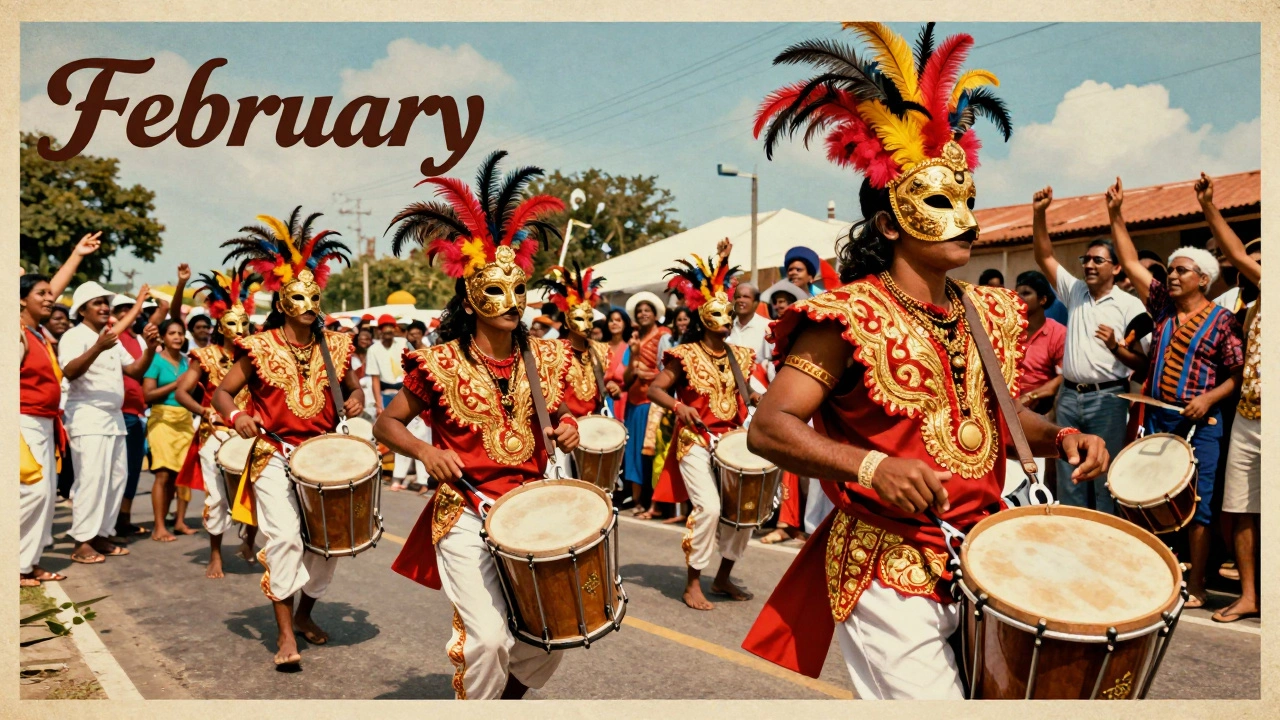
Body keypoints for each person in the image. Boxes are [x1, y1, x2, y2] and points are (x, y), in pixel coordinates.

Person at [740, 22, 1109, 698]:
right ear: (889, 223)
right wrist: (872, 466)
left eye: (967, 200)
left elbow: (995, 419)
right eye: (940, 202)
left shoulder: (987, 311)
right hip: (886, 566)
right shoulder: (845, 318)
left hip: (983, 558)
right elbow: (769, 428)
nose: (964, 217)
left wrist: (1059, 436)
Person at [377, 151, 580, 700]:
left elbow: (559, 413)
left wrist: (567, 427)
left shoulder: (546, 358)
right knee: (488, 640)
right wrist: (424, 452)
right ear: (469, 298)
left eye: (518, 289)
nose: (511, 301)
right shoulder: (438, 363)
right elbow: (386, 424)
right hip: (466, 512)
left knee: (555, 631)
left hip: (532, 511)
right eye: (495, 289)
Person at [214, 207, 363, 667]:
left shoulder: (336, 344)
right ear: (282, 301)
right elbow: (222, 393)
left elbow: (352, 387)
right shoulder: (258, 347)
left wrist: (356, 400)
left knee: (331, 544)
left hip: (323, 457)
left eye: (313, 295)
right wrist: (237, 415)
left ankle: (304, 613)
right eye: (298, 296)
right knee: (285, 540)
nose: (308, 303)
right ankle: (284, 636)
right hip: (274, 455)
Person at [1108, 176, 1244, 611]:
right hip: (1157, 417)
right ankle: (1150, 579)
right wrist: (1115, 214)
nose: (1172, 275)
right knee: (1145, 497)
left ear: (1203, 279)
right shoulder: (1162, 308)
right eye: (1171, 269)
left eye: (1181, 270)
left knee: (1197, 505)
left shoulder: (1223, 320)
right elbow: (1130, 263)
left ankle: (1198, 585)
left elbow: (1237, 375)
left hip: (1201, 423)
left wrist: (1209, 398)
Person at [650, 251, 760, 610]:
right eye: (718, 312)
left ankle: (723, 576)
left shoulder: (740, 355)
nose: (726, 317)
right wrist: (679, 407)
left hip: (730, 442)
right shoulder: (685, 355)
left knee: (744, 511)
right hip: (694, 440)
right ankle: (693, 582)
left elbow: (746, 389)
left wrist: (756, 395)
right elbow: (655, 389)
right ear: (702, 315)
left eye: (729, 311)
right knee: (709, 508)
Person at [1032, 186, 1148, 515]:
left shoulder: (1129, 305)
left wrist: (1114, 346)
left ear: (1117, 268)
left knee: (1104, 476)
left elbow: (1143, 363)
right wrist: (1039, 213)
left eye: (1099, 260)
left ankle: (1107, 536)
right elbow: (1044, 257)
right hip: (1069, 396)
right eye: (1086, 260)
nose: (1089, 265)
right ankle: (1073, 536)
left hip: (1108, 399)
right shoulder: (1076, 292)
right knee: (1070, 474)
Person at [1194, 172, 1262, 623]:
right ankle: (1250, 596)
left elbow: (1236, 253)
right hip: (1248, 417)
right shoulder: (1248, 307)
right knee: (1240, 508)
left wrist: (1208, 206)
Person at [19, 232, 101, 586]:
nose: (50, 299)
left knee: (45, 497)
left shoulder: (36, 331)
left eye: (50, 295)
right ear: (19, 301)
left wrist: (77, 255)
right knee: (32, 492)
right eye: (41, 295)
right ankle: (15, 563)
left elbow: (47, 290)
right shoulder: (15, 332)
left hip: (45, 423)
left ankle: (28, 563)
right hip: (22, 422)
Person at [59, 280, 157, 564]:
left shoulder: (110, 337)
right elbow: (70, 371)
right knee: (91, 479)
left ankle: (101, 534)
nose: (104, 307)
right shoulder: (74, 336)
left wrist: (150, 349)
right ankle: (82, 541)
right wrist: (98, 347)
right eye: (97, 303)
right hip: (87, 416)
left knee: (115, 479)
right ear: (82, 310)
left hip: (113, 418)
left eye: (106, 302)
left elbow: (135, 371)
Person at [174, 268, 259, 578]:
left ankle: (249, 541)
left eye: (244, 323)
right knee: (218, 497)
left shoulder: (257, 354)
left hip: (252, 434)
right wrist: (204, 410)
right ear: (220, 324)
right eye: (232, 323)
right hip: (217, 435)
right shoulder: (206, 356)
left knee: (258, 492)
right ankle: (214, 554)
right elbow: (182, 392)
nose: (239, 330)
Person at [143, 319, 197, 541]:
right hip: (162, 419)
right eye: (172, 333)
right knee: (163, 473)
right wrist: (177, 384)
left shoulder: (188, 361)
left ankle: (180, 522)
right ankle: (159, 527)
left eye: (180, 333)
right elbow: (148, 395)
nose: (177, 337)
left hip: (184, 419)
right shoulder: (155, 360)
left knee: (183, 474)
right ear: (163, 338)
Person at [622, 291, 670, 516]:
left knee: (651, 452)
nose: (643, 314)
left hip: (654, 403)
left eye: (647, 310)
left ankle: (655, 502)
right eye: (639, 311)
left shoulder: (663, 336)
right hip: (634, 402)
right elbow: (626, 379)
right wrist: (634, 357)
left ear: (655, 314)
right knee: (633, 452)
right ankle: (638, 501)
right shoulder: (634, 340)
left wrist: (649, 375)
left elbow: (669, 370)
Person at [1013, 270, 1066, 415]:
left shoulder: (1058, 333)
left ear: (1042, 299)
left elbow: (1064, 377)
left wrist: (1031, 396)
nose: (1019, 298)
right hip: (1008, 405)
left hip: (1042, 408)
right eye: (1017, 293)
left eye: (1026, 293)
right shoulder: (1008, 330)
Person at [365, 314, 407, 414]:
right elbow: (375, 378)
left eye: (390, 327)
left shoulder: (403, 343)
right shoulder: (373, 350)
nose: (388, 330)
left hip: (405, 390)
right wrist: (379, 404)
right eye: (385, 327)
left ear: (394, 329)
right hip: (385, 392)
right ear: (379, 331)